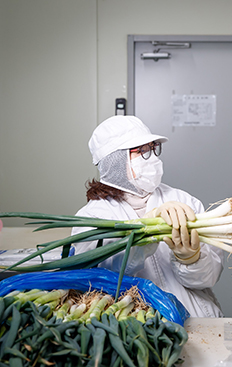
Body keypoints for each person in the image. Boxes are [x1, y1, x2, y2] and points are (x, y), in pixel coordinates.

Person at [72, 115, 224, 318]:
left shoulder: (182, 200)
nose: (152, 157)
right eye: (141, 151)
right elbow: (101, 278)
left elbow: (209, 278)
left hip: (198, 322)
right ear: (114, 161)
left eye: (152, 148)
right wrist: (142, 237)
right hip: (134, 329)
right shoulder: (92, 217)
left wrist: (191, 259)